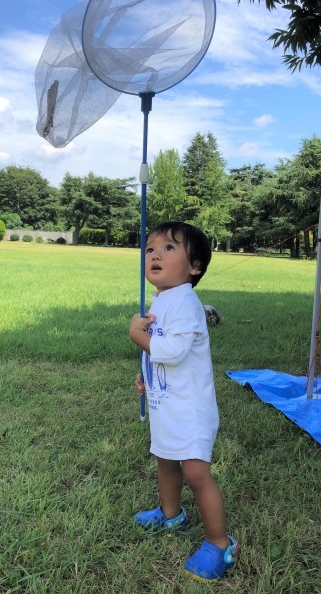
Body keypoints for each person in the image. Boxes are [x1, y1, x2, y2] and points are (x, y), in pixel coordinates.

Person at [129, 221, 239, 582]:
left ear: (195, 267)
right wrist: (146, 375)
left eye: (169, 248)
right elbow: (160, 352)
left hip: (190, 410)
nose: (155, 254)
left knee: (195, 472)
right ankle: (171, 512)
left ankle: (219, 543)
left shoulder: (187, 303)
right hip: (166, 404)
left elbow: (172, 351)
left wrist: (137, 336)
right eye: (150, 249)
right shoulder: (162, 299)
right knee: (165, 461)